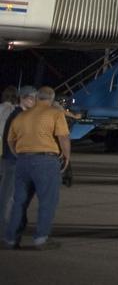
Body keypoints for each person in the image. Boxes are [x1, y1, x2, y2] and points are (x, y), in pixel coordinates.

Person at [3, 86, 70, 250]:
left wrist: (18, 154)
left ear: (37, 98)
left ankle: (11, 239)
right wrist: (66, 157)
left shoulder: (21, 116)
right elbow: (63, 137)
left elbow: (10, 140)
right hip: (45, 160)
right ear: (52, 98)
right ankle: (41, 238)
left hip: (23, 160)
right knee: (47, 201)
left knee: (19, 201)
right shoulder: (55, 113)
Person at [1, 87, 38, 245]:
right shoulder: (18, 116)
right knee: (10, 199)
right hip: (14, 162)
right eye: (34, 99)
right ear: (25, 98)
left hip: (12, 160)